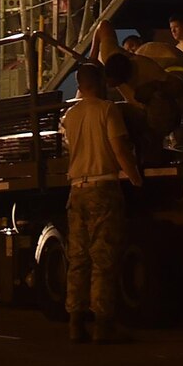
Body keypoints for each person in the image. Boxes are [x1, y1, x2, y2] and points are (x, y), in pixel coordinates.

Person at [59, 64, 143, 344]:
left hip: (76, 191)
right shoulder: (107, 110)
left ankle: (75, 324)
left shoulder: (70, 115)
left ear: (80, 85)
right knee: (103, 259)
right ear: (101, 83)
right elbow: (118, 148)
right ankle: (103, 327)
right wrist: (135, 177)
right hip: (103, 188)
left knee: (78, 260)